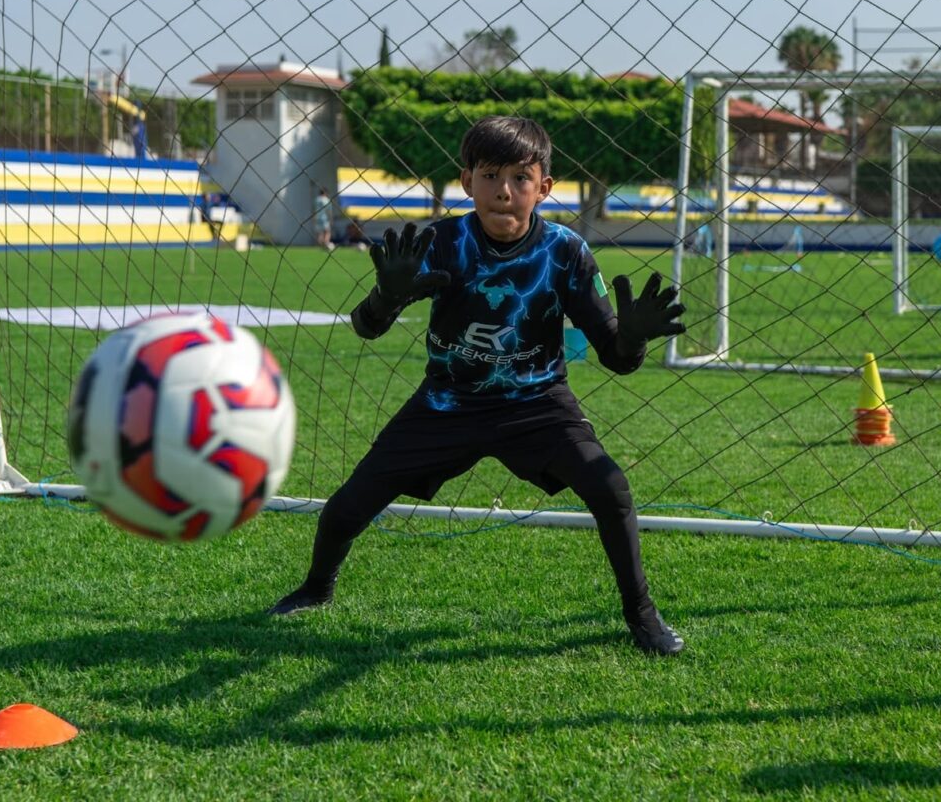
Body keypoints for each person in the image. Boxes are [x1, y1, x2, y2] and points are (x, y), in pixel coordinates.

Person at [270, 116, 687, 656]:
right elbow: (367, 327)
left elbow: (617, 358)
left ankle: (642, 615)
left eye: (520, 177)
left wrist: (631, 338)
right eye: (490, 176)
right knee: (348, 506)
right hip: (447, 402)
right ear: (467, 182)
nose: (504, 192)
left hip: (536, 404)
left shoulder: (565, 252)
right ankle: (314, 588)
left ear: (544, 187)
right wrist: (387, 297)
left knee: (610, 489)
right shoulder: (444, 240)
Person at [313, 187, 334, 251]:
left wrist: (314, 217)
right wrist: (331, 219)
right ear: (325, 193)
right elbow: (328, 210)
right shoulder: (326, 200)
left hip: (317, 217)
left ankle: (320, 246)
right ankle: (326, 244)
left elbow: (314, 209)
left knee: (320, 233)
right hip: (325, 218)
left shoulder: (316, 199)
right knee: (327, 232)